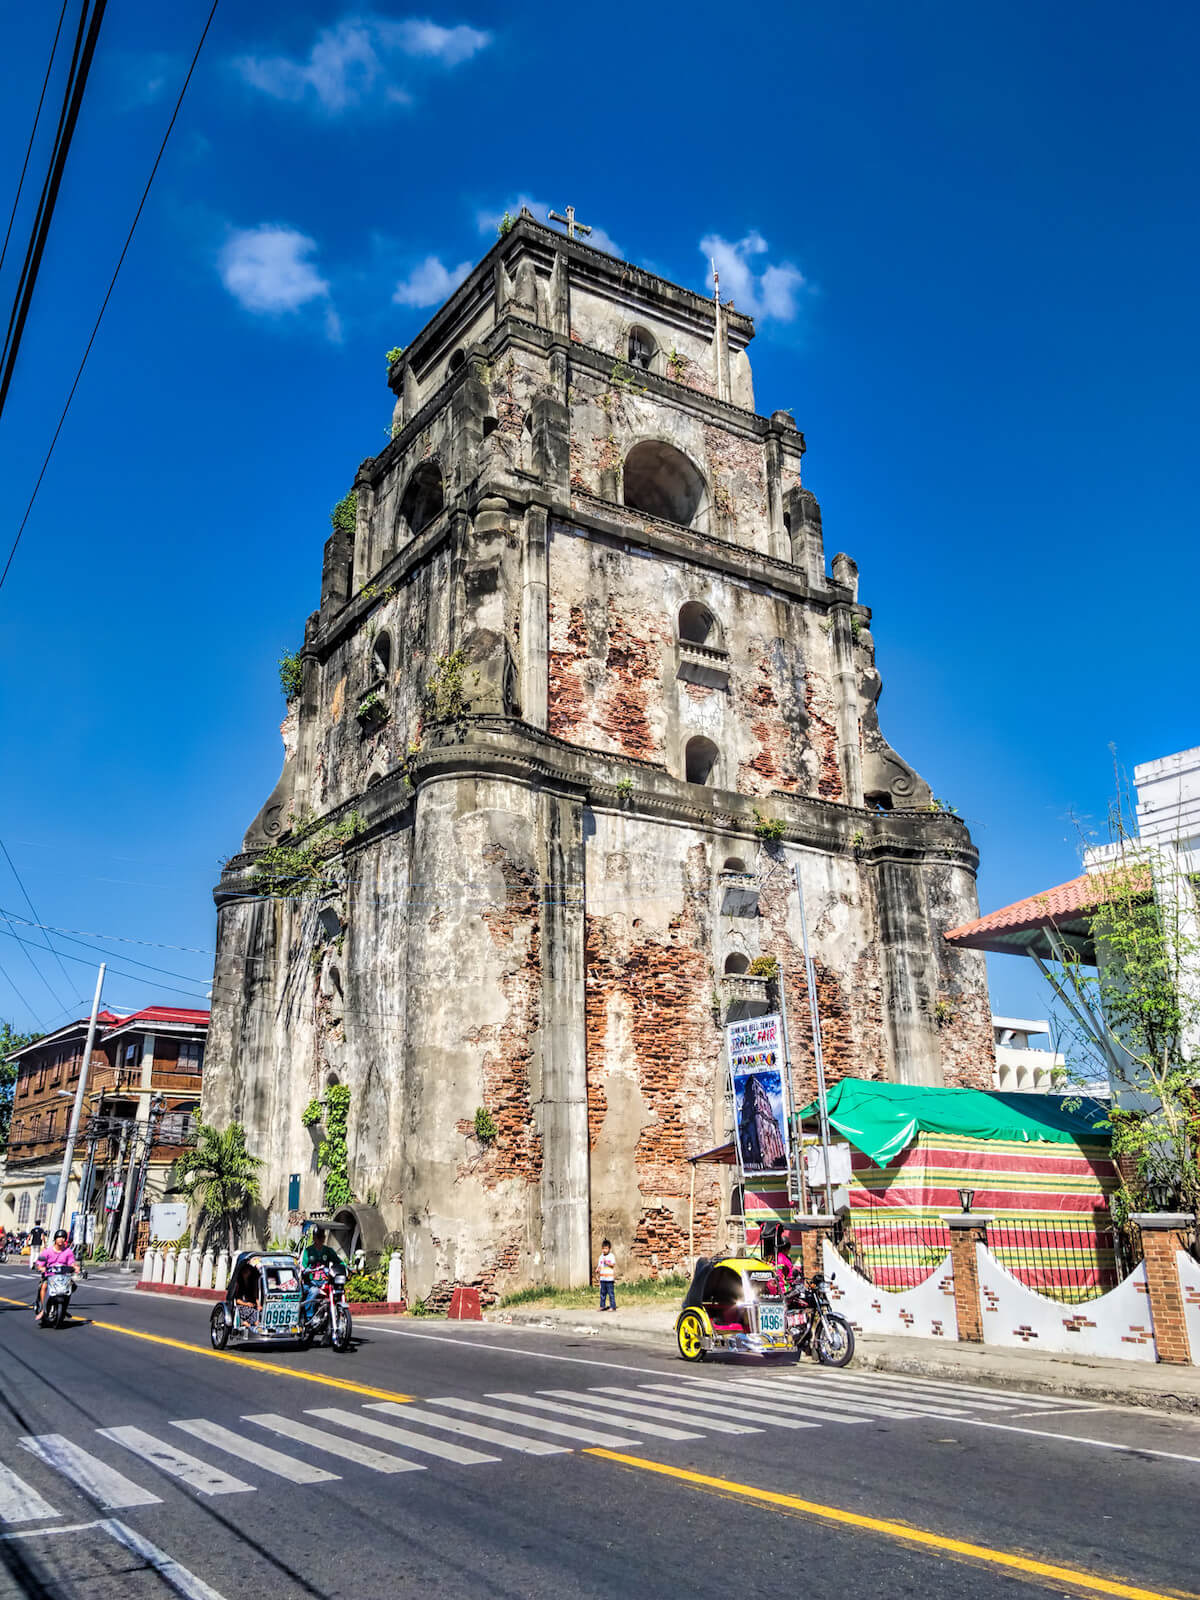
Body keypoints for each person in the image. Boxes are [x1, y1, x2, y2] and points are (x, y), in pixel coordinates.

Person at [300, 1227, 346, 1322]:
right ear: (314, 1238)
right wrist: (307, 1270)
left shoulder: (328, 1251)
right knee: (314, 1291)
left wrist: (346, 1267)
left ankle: (336, 1315)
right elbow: (303, 1267)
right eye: (318, 1237)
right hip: (311, 1282)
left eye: (322, 1237)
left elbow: (339, 1262)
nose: (320, 1239)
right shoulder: (308, 1251)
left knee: (336, 1292)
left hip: (325, 1281)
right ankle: (310, 1318)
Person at [34, 1230, 78, 1317]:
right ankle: (42, 1310)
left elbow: (72, 1263)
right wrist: (41, 1268)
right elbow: (39, 1263)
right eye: (59, 1237)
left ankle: (64, 1308)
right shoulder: (47, 1251)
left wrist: (75, 1267)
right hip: (50, 1276)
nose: (61, 1239)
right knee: (44, 1286)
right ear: (55, 1239)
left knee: (72, 1287)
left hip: (63, 1277)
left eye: (63, 1238)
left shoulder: (68, 1252)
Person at [597, 1238, 617, 1311]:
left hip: (609, 1279)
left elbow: (613, 1265)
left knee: (610, 1293)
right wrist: (598, 1269)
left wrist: (608, 1263)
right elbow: (599, 1265)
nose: (604, 1250)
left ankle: (613, 1306)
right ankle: (602, 1306)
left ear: (609, 1249)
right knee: (602, 1293)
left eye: (606, 1248)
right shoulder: (601, 1257)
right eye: (603, 1248)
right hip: (603, 1279)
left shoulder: (611, 1256)